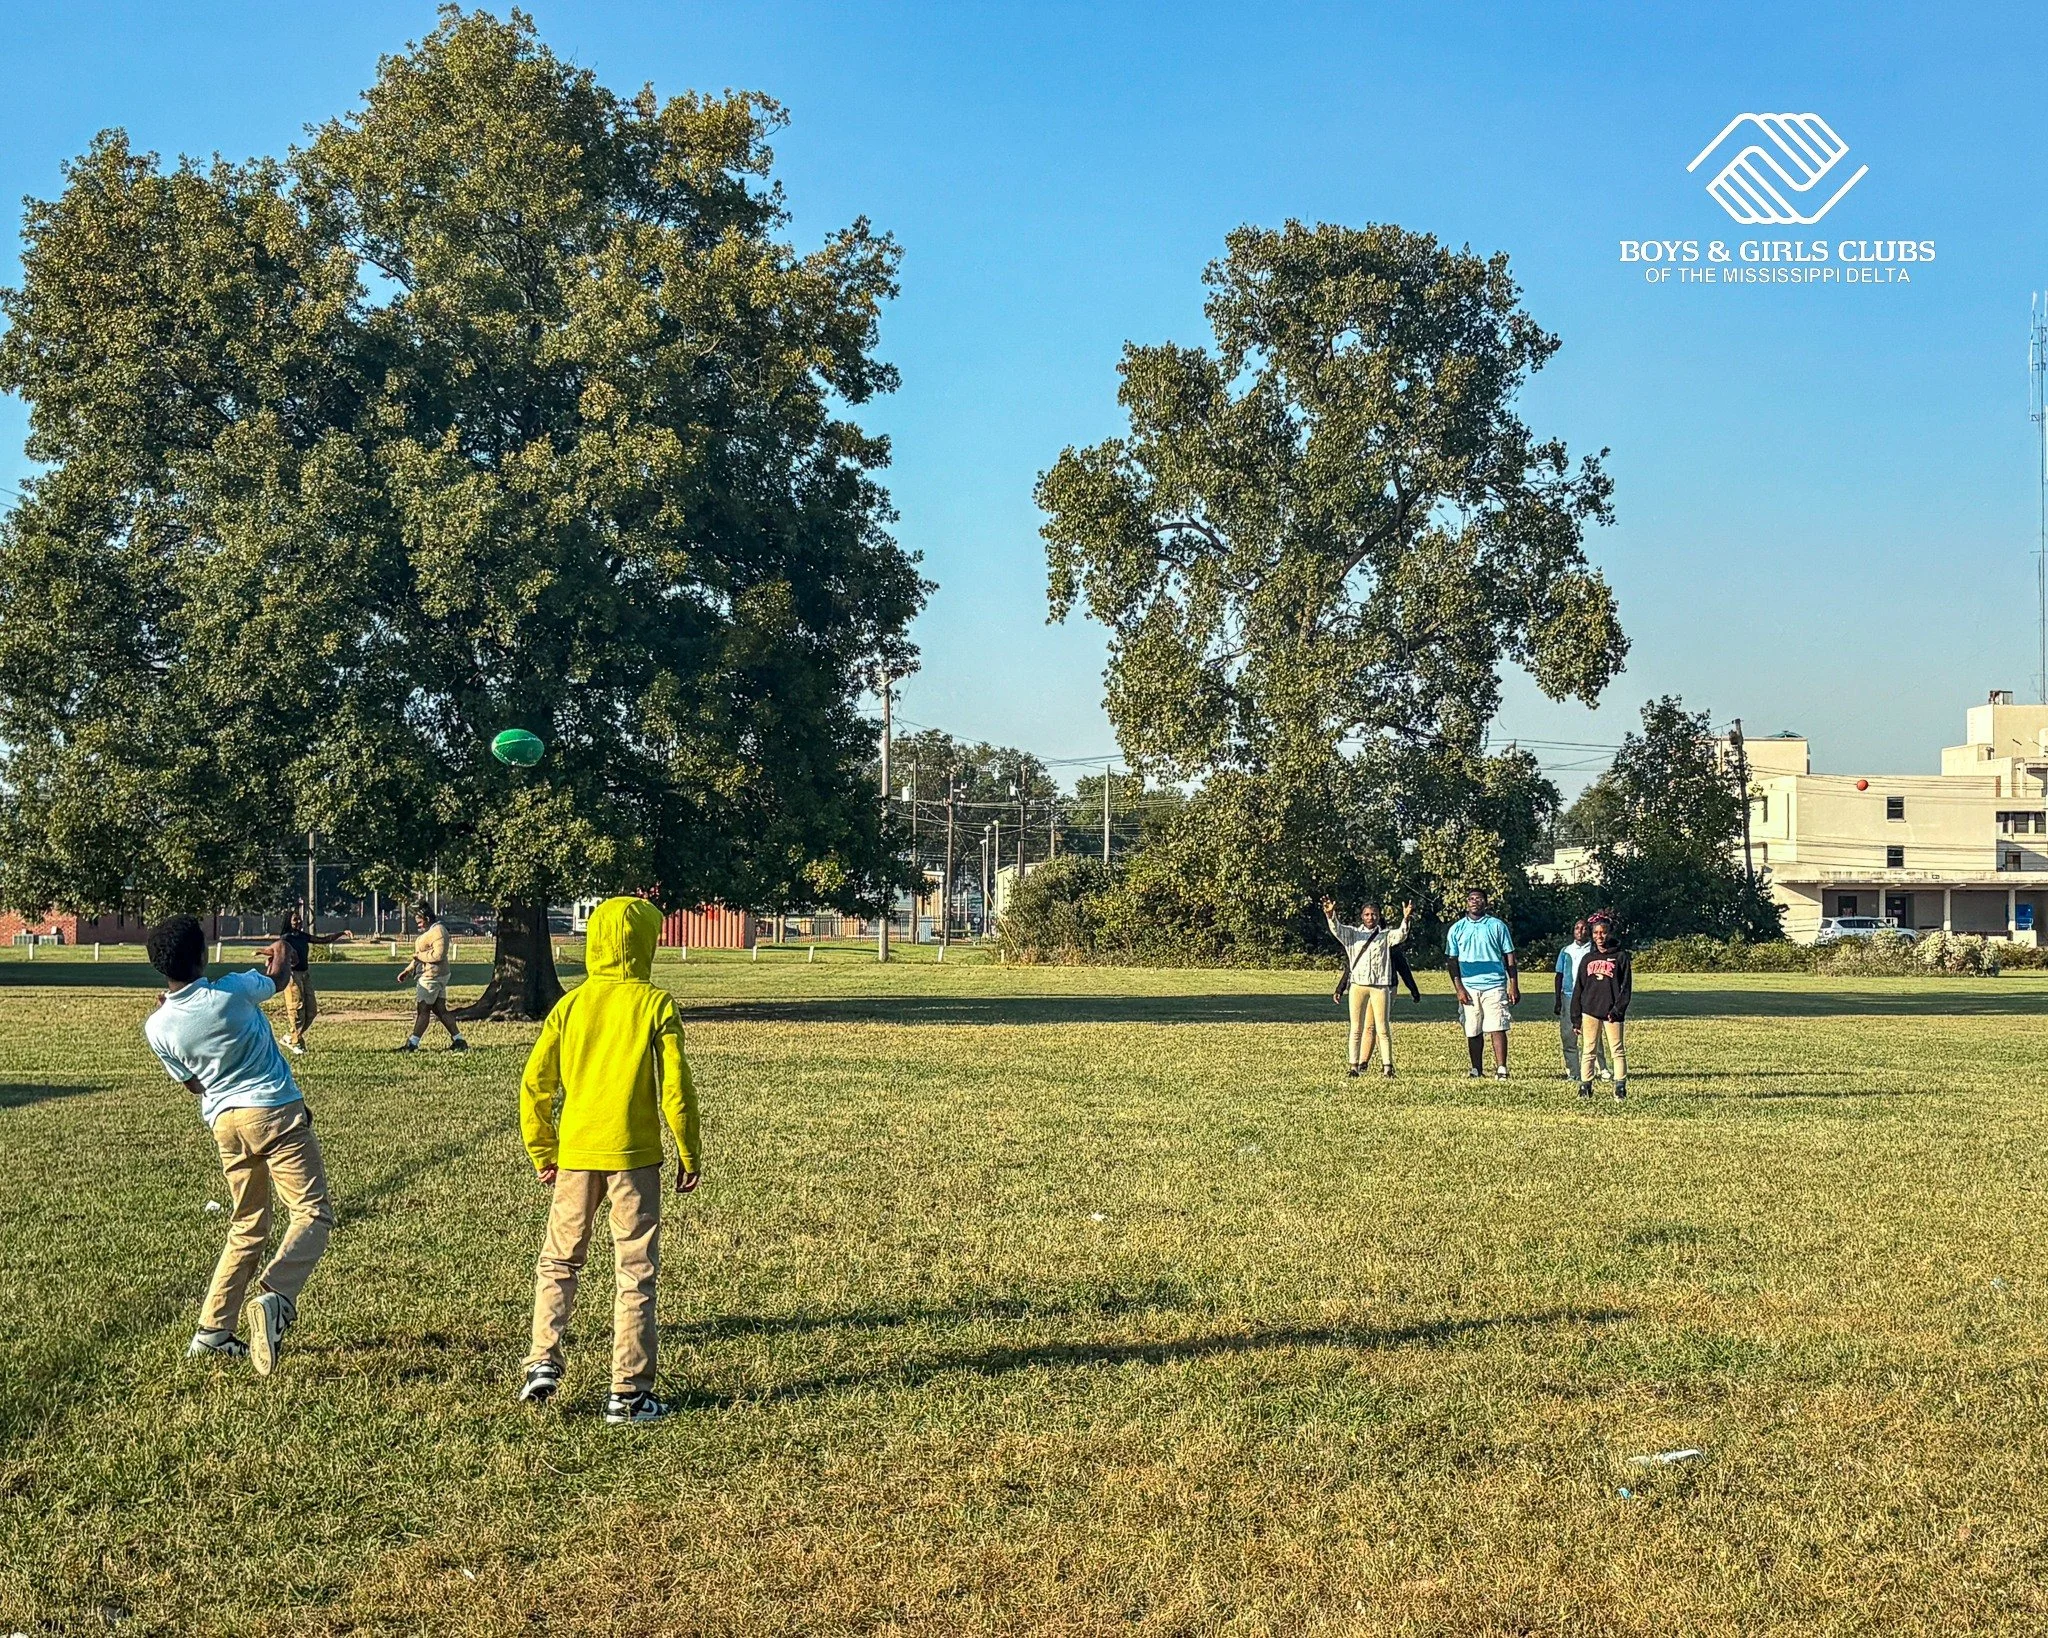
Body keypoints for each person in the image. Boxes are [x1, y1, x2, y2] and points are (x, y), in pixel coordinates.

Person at [517, 896, 701, 1424]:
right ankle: (629, 1392)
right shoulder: (656, 1003)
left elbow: (536, 1084)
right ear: (646, 944)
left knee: (559, 1260)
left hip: (574, 1154)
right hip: (635, 1156)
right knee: (635, 1271)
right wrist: (688, 1149)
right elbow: (676, 1091)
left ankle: (542, 1363)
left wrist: (542, 1148)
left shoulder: (570, 1006)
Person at [143, 915, 335, 1377]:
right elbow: (278, 978)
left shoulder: (157, 1026)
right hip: (273, 1109)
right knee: (312, 1213)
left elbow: (193, 1085)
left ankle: (212, 1332)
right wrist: (282, 950)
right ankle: (275, 1294)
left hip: (225, 1124)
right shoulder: (230, 989)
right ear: (202, 955)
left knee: (247, 1225)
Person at [1322, 897, 1413, 1078]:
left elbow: (1401, 934)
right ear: (1361, 916)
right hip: (1358, 985)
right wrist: (1331, 915)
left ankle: (1388, 1067)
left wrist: (1406, 918)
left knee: (1383, 1028)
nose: (1370, 917)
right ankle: (1353, 1066)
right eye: (1367, 914)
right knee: (1356, 1028)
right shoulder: (1353, 934)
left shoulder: (1386, 935)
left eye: (1373, 914)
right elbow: (1337, 929)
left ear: (1379, 916)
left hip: (1380, 986)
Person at [1445, 886, 1519, 1080]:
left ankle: (1501, 1068)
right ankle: (1476, 1069)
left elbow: (1509, 956)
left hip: (1494, 984)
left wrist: (1514, 984)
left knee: (1497, 1025)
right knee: (1473, 1027)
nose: (1475, 901)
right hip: (1469, 985)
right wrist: (1459, 988)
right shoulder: (1457, 928)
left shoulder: (1497, 926)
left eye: (1479, 898)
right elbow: (1452, 961)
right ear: (1466, 903)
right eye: (1471, 898)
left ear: (1486, 902)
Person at [1571, 912, 1633, 1101]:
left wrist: (1617, 1010)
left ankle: (1620, 1086)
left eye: (1603, 932)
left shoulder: (1620, 957)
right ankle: (1585, 1086)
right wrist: (1576, 1017)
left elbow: (1626, 988)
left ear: (1609, 933)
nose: (1599, 936)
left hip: (1612, 1013)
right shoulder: (1588, 959)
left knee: (1617, 1049)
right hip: (1590, 1011)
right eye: (1596, 933)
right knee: (1589, 1050)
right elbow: (1579, 988)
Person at [277, 906, 348, 1057]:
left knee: (311, 1010)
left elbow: (323, 940)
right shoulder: (285, 939)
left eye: (300, 919)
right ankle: (296, 1043)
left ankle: (290, 1037)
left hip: (305, 974)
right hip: (292, 976)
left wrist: (341, 933)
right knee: (297, 1009)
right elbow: (277, 954)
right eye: (295, 919)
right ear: (289, 921)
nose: (299, 921)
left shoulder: (302, 936)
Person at [396, 905, 467, 1053]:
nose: (418, 926)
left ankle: (412, 1044)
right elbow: (419, 955)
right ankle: (459, 1040)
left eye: (420, 922)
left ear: (427, 919)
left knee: (423, 1010)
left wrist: (419, 957)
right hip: (436, 975)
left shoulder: (438, 931)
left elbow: (438, 955)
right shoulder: (432, 932)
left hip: (432, 977)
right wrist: (408, 970)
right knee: (440, 1010)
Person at [1553, 917, 1593, 1082]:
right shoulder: (1566, 951)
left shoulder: (1594, 950)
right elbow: (1559, 975)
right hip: (1569, 995)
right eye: (1577, 928)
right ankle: (1573, 1072)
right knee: (1569, 1036)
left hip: (1589, 997)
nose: (1580, 931)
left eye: (1584, 928)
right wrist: (1558, 999)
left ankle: (1600, 1070)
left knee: (1592, 1036)